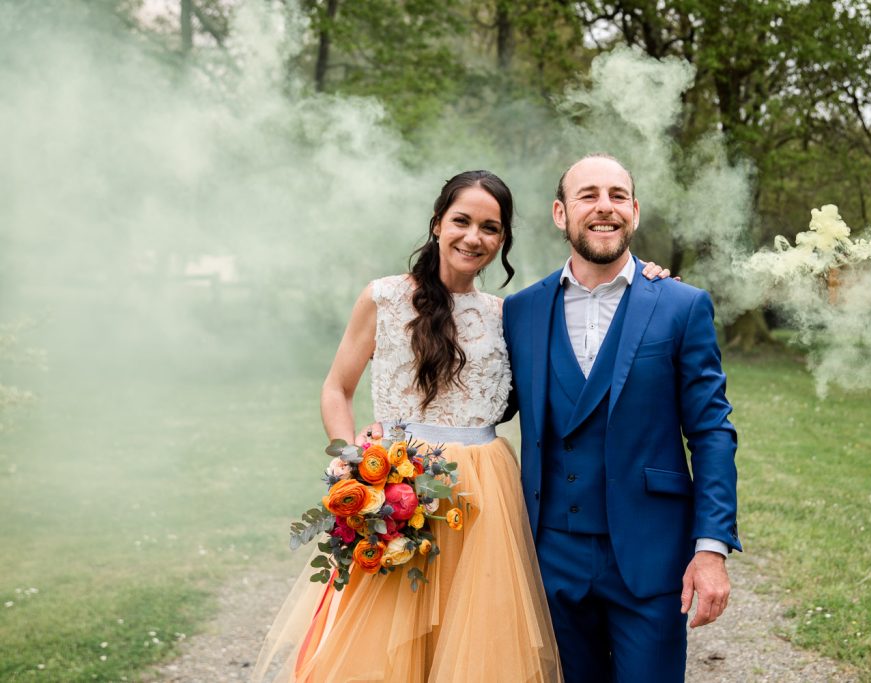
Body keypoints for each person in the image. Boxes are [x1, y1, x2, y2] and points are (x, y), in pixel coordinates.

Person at [254, 169, 668, 682]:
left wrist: (648, 281)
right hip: (400, 485)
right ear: (437, 224)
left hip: (485, 498)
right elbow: (336, 388)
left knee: (478, 646)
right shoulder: (383, 298)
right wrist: (350, 461)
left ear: (502, 240)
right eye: (462, 221)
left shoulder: (506, 314)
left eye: (491, 228)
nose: (474, 237)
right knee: (389, 641)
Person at [501, 154, 741, 682]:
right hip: (550, 558)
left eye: (617, 196)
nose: (603, 207)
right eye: (588, 195)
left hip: (651, 557)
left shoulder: (681, 305)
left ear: (634, 211)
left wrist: (711, 550)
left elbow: (711, 432)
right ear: (561, 213)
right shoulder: (519, 310)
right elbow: (482, 403)